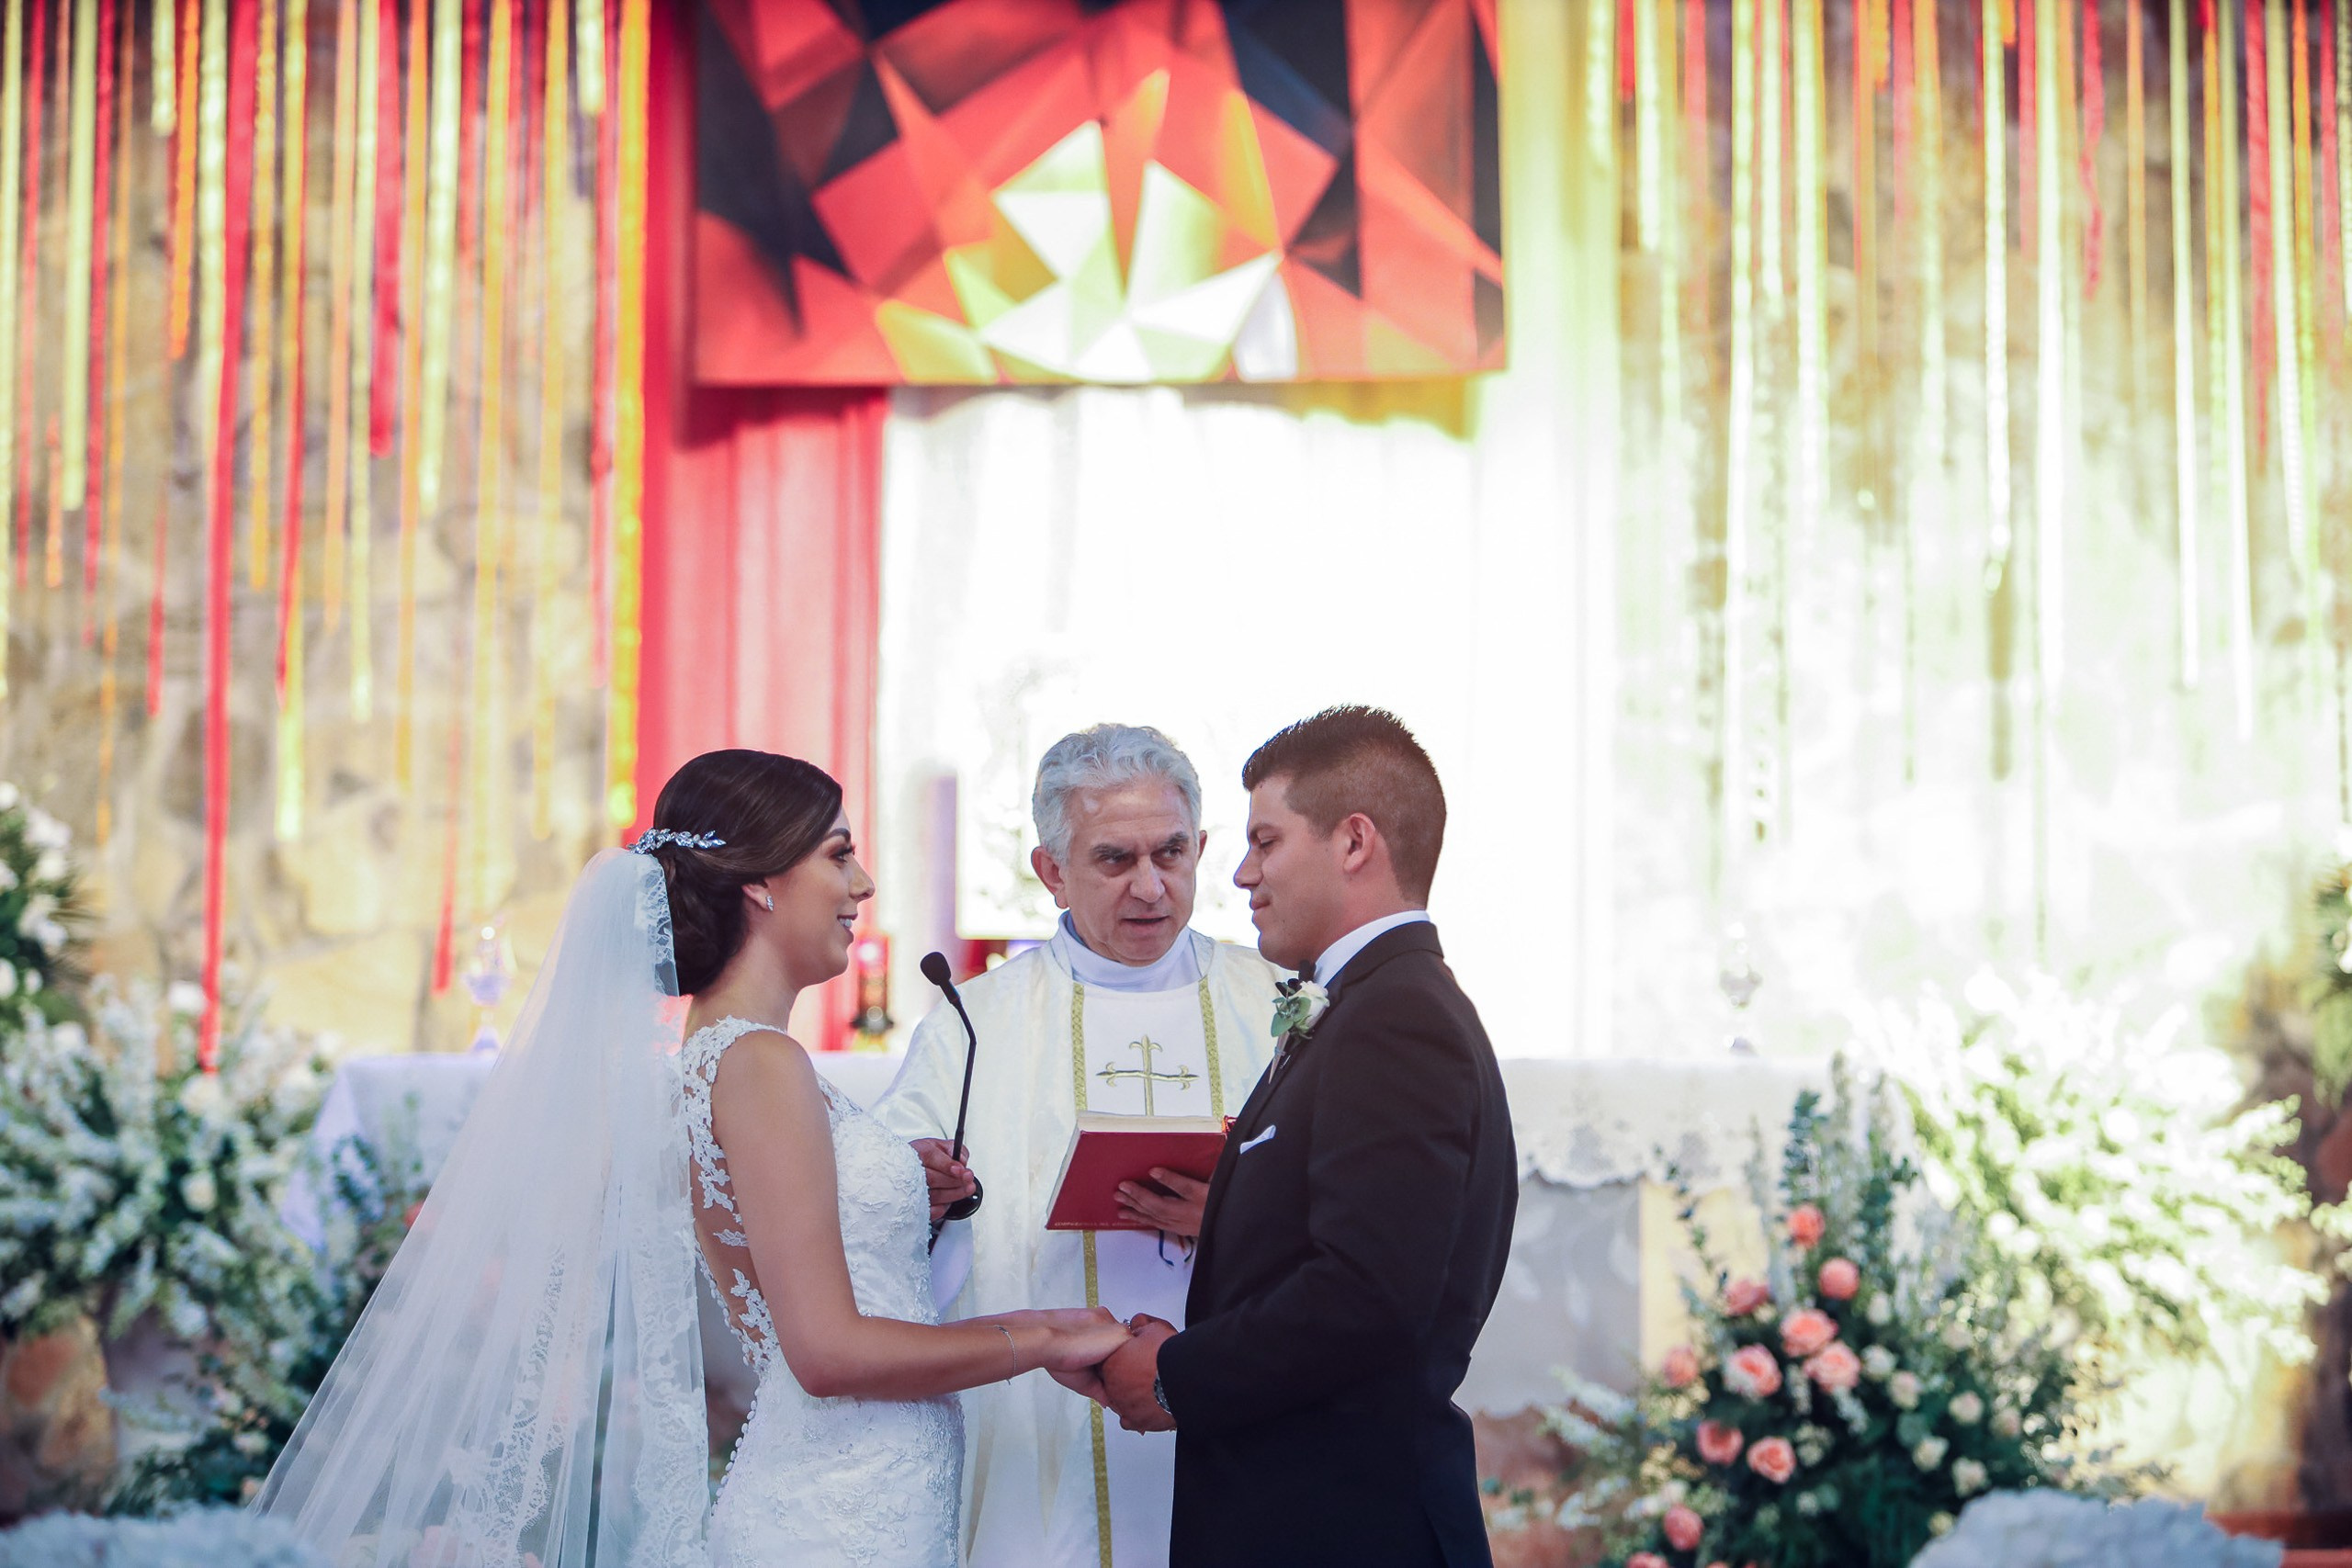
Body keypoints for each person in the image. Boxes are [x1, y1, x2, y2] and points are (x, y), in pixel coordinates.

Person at [255, 749, 1134, 1568]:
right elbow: (826, 1351)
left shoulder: (731, 1058)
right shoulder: (760, 1064)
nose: (861, 884)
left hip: (858, 1491)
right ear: (760, 883)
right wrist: (1042, 1333)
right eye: (837, 855)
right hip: (838, 1511)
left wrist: (905, 1183)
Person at [1094, 707, 1518, 1568]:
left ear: (1354, 841)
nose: (1243, 873)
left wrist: (1178, 1375)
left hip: (1348, 1527)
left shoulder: (1397, 1019)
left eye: (1266, 840)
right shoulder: (1368, 1004)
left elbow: (1367, 1297)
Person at [875, 725, 1282, 1568]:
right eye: (1113, 859)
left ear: (1202, 847)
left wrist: (1245, 1215)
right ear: (1051, 871)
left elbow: (1350, 1207)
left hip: (1242, 1397)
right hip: (1045, 1419)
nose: (1150, 886)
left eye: (1171, 853)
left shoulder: (1276, 1000)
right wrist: (921, 1182)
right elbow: (878, 1190)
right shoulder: (975, 1021)